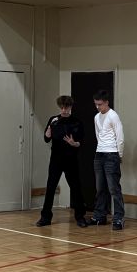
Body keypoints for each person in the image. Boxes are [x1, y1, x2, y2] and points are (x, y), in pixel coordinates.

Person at [36, 95, 88, 227]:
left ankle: (80, 216)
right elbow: (46, 139)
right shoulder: (53, 120)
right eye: (62, 107)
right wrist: (48, 132)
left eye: (66, 107)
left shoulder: (77, 122)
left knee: (75, 187)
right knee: (50, 187)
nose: (64, 110)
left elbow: (81, 142)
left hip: (71, 159)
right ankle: (45, 217)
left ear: (70, 107)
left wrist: (74, 143)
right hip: (56, 159)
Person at [90, 89, 125, 230]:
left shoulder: (113, 116)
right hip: (99, 154)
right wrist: (100, 148)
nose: (98, 107)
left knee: (113, 188)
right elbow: (98, 135)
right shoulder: (96, 117)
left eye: (100, 104)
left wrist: (119, 155)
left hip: (112, 154)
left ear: (106, 102)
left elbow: (120, 136)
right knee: (100, 188)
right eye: (96, 104)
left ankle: (118, 218)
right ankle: (100, 216)